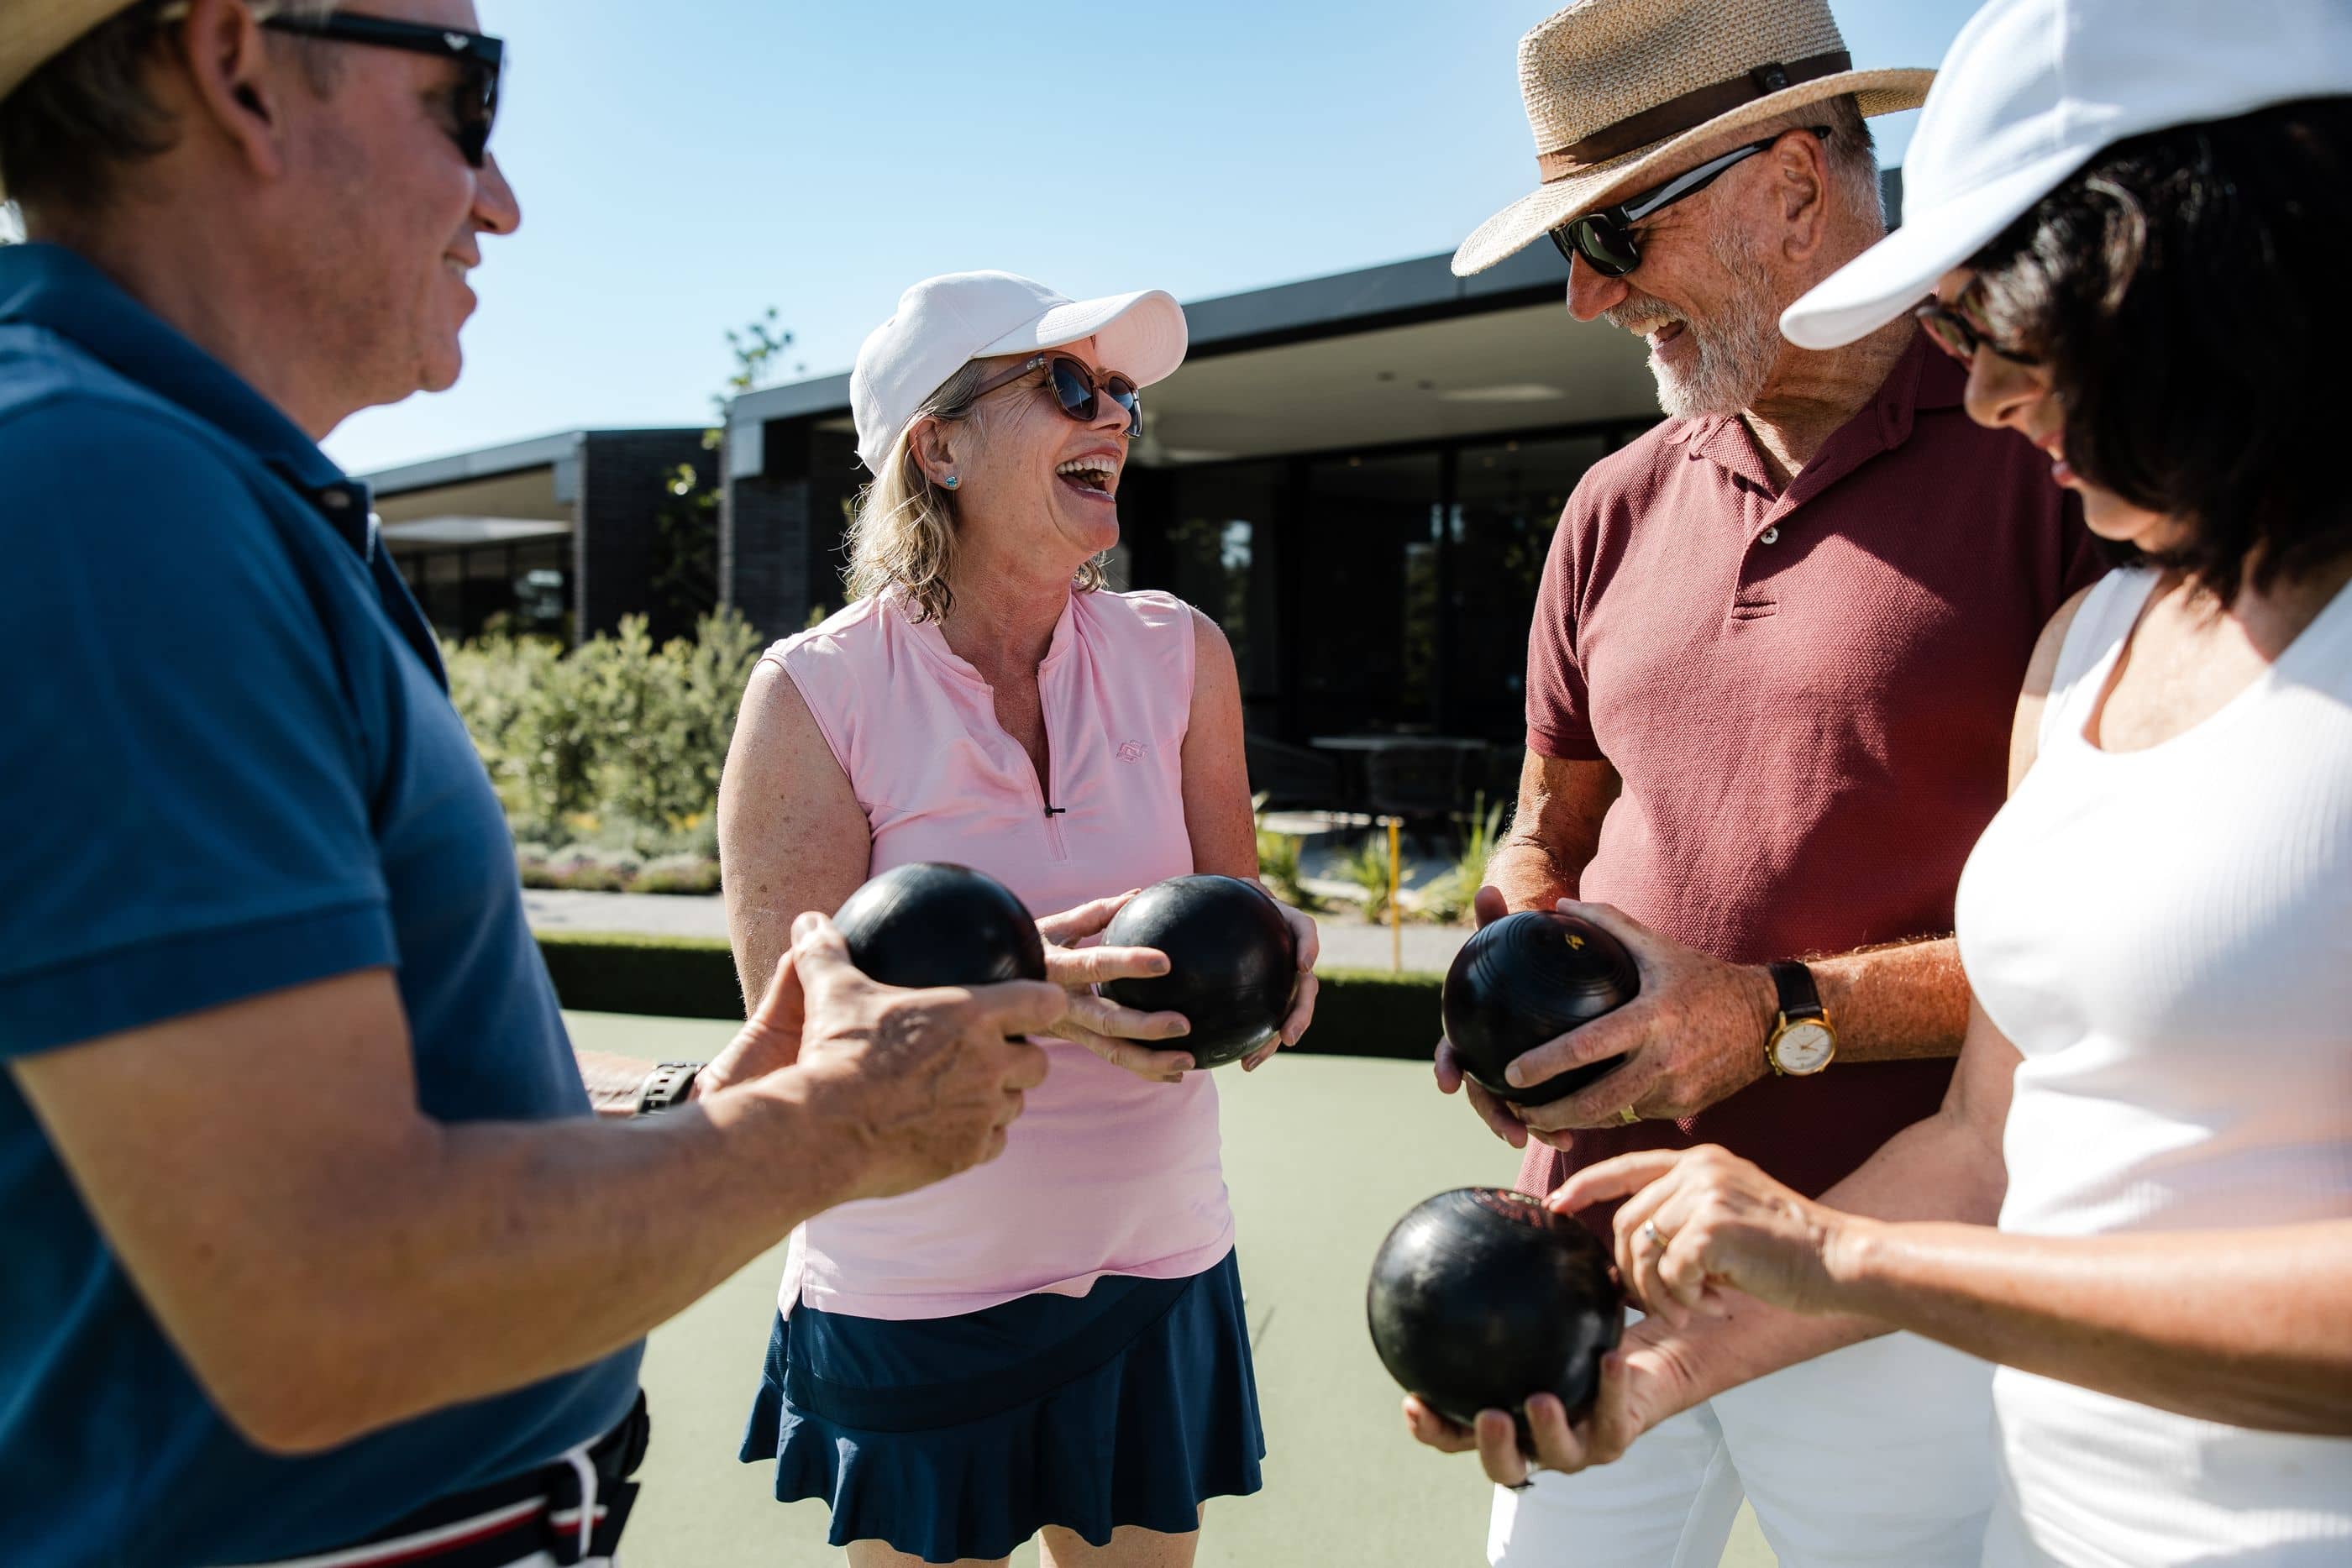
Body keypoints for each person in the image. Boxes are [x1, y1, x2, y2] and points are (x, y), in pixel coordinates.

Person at [0, 6, 1107, 1564]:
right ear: (241, 68)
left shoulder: (167, 484)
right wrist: (829, 1130)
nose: (502, 197)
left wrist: (732, 1101)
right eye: (468, 100)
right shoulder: (106, 497)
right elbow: (321, 1296)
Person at [1510, 0, 2352, 1562]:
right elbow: (1986, 1143)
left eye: (1991, 319)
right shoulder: (2096, 645)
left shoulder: (2084, 526)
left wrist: (1828, 1199)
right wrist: (1661, 1371)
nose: (1977, 392)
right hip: (1991, 1475)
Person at [1419, 0, 2103, 1563]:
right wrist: (1513, 951)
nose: (1588, 298)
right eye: (1565, 249)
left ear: (1797, 183)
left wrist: (1773, 1013)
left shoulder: (2060, 459)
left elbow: (2111, 943)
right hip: (1581, 1259)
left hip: (1898, 1271)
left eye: (1613, 231)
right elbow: (1553, 825)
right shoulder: (1611, 505)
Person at [721, 270, 1320, 1568]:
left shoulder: (1180, 653)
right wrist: (1033, 991)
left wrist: (1280, 964)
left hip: (1154, 1260)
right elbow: (794, 1030)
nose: (1111, 414)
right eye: (1065, 382)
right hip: (917, 1288)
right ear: (938, 445)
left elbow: (1236, 906)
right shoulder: (813, 692)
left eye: (1121, 390)